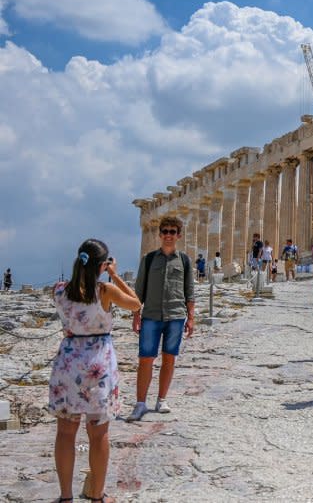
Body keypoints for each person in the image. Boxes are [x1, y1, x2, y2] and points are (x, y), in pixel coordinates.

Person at [49, 239, 141, 503]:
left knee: (65, 432)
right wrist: (114, 275)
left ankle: (66, 497)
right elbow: (136, 304)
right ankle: (97, 496)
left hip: (67, 363)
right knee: (98, 434)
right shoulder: (106, 291)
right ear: (102, 265)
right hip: (98, 365)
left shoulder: (58, 290)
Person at [128, 216, 195, 422]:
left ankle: (162, 399)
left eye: (172, 232)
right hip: (151, 316)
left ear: (178, 235)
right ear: (159, 234)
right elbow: (138, 290)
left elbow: (189, 291)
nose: (168, 235)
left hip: (176, 316)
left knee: (169, 358)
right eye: (165, 231)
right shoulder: (148, 259)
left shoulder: (184, 260)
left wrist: (191, 318)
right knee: (145, 359)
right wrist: (136, 315)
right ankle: (140, 404)